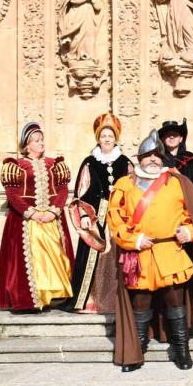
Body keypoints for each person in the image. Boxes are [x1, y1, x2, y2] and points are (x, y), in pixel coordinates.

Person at [108, 130, 193, 372]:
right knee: (141, 304)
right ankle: (138, 349)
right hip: (139, 255)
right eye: (147, 155)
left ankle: (181, 348)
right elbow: (115, 221)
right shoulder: (124, 185)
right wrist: (134, 239)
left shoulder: (177, 182)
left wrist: (188, 232)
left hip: (171, 251)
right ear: (139, 157)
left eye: (157, 155)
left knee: (175, 302)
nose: (153, 160)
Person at [0, 122, 74, 311]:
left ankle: (56, 295)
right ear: (27, 145)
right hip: (26, 221)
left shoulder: (54, 164)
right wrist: (30, 212)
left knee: (56, 254)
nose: (41, 143)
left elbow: (62, 190)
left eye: (42, 140)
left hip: (51, 219)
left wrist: (53, 211)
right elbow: (12, 194)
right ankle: (33, 298)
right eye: (36, 140)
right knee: (32, 258)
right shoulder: (16, 166)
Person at [62, 113, 134, 313]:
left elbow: (134, 189)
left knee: (118, 256)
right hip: (96, 216)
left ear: (116, 138)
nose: (107, 139)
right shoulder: (89, 161)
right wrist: (84, 215)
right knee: (93, 256)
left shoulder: (125, 162)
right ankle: (89, 299)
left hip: (120, 214)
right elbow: (81, 191)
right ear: (98, 138)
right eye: (103, 136)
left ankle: (118, 299)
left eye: (110, 136)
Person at [159, 119, 193, 193]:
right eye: (168, 135)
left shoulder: (191, 158)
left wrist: (191, 195)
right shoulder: (157, 158)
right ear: (163, 139)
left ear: (181, 139)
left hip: (185, 200)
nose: (171, 137)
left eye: (175, 134)